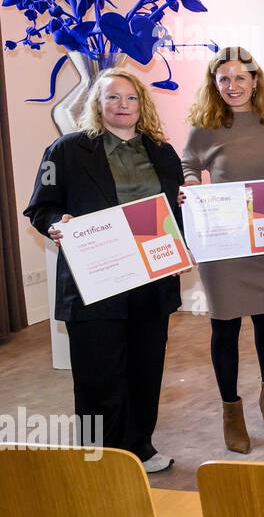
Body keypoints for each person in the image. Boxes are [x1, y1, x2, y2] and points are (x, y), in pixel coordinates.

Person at [25, 68, 186, 473]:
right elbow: (40, 208)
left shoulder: (162, 152)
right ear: (97, 104)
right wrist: (56, 225)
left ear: (142, 104)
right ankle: (101, 460)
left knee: (145, 369)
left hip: (151, 279)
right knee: (99, 375)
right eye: (112, 98)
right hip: (94, 281)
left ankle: (140, 448)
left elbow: (175, 213)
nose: (122, 106)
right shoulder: (65, 150)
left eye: (130, 98)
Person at [181, 47, 264, 454]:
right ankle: (232, 411)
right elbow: (187, 164)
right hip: (223, 240)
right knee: (225, 325)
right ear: (215, 84)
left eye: (240, 78)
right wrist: (192, 185)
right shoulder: (204, 124)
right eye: (224, 79)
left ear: (255, 80)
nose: (233, 86)